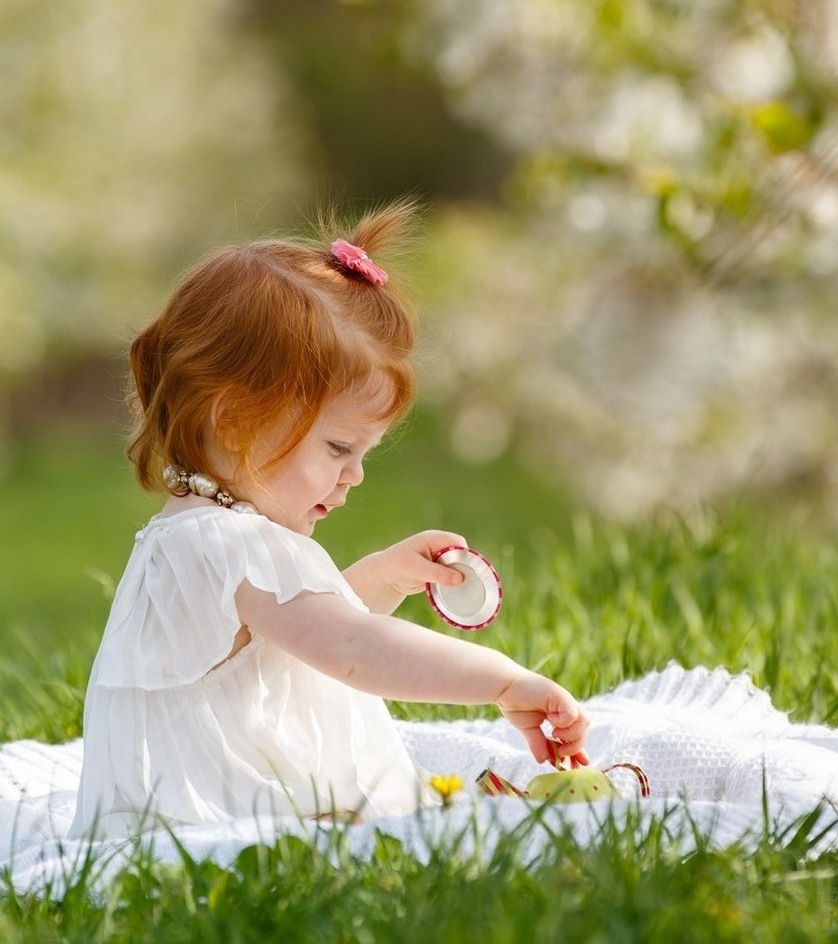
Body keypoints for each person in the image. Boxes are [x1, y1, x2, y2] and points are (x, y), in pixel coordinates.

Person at [70, 202, 589, 839]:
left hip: (178, 807)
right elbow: (347, 649)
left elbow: (289, 640)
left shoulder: (193, 533)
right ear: (236, 421)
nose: (355, 475)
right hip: (219, 818)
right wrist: (505, 682)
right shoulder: (233, 544)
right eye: (338, 448)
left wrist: (383, 578)